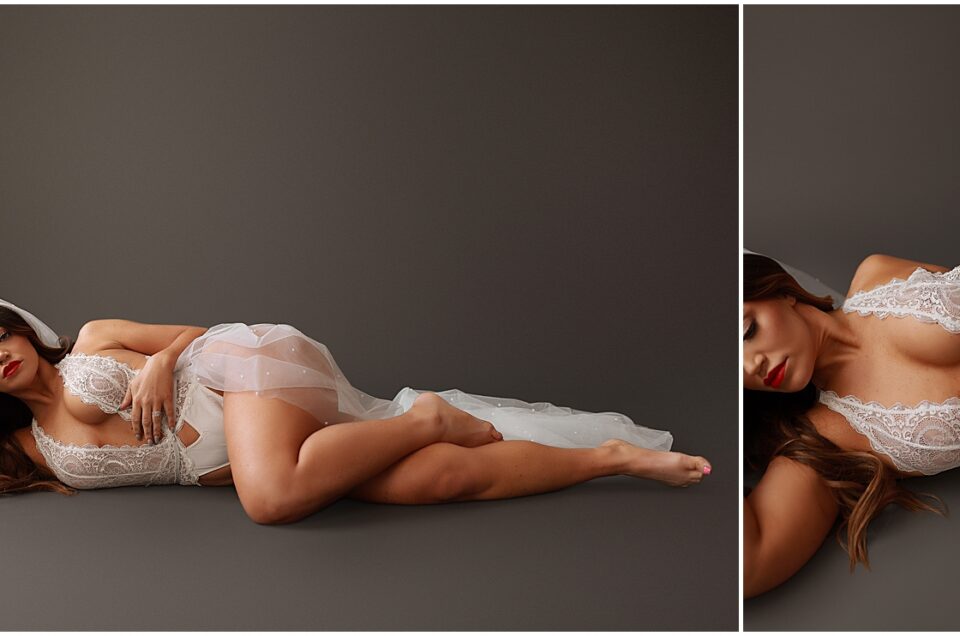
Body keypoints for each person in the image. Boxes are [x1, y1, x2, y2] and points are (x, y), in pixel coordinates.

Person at [0, 298, 712, 524]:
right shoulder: (38, 451)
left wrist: (159, 361)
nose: (1, 354)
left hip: (247, 372)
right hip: (280, 449)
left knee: (270, 499)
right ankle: (610, 460)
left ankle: (426, 416)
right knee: (440, 481)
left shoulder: (93, 340)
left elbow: (201, 333)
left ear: (17, 326)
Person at [743, 251, 960, 598]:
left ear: (783, 292)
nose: (750, 366)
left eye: (747, 331)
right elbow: (748, 568)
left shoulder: (874, 273)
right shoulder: (824, 439)